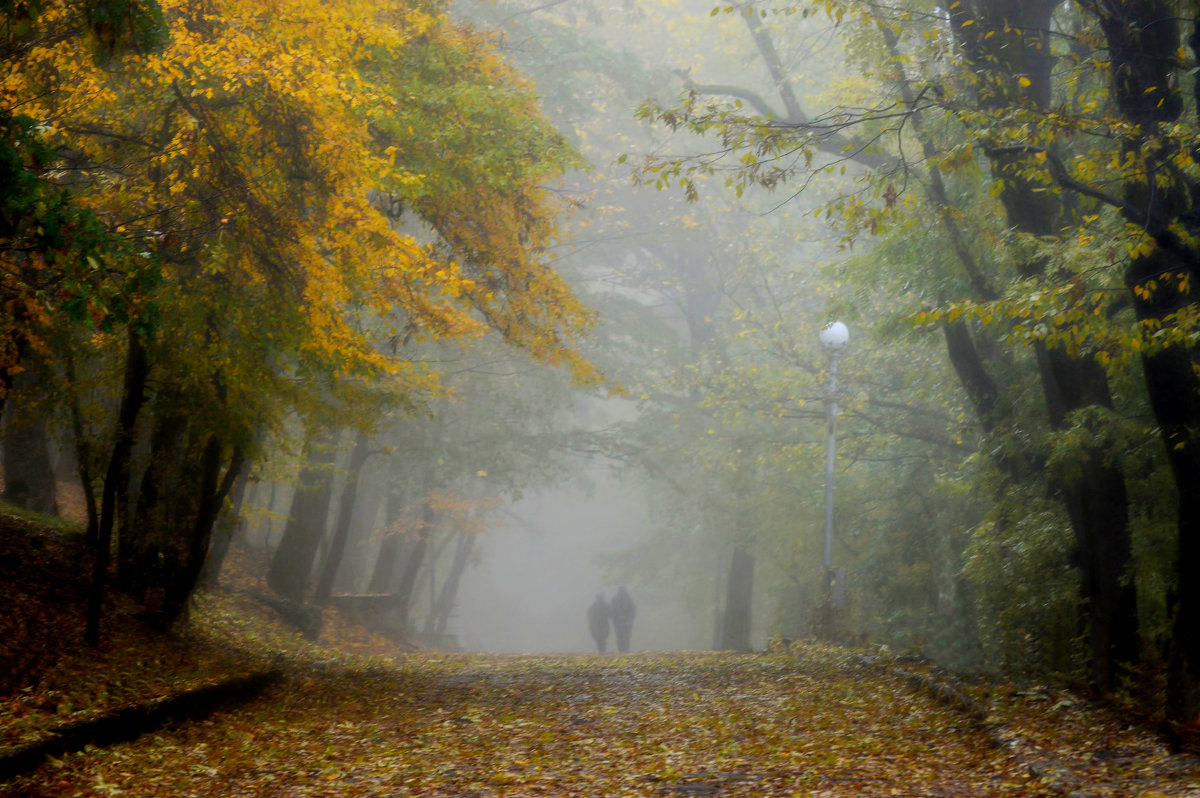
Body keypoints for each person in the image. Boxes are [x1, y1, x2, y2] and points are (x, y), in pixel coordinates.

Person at [609, 586, 636, 653]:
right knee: (621, 636)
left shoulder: (628, 599)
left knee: (624, 636)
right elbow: (612, 612)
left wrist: (629, 619)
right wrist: (615, 619)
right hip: (619, 622)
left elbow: (632, 611)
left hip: (625, 622)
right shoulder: (615, 600)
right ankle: (622, 650)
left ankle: (624, 650)